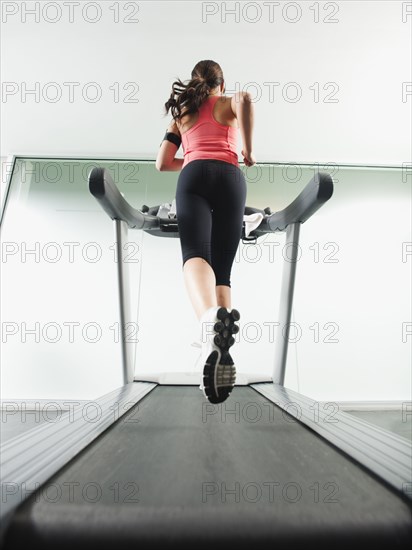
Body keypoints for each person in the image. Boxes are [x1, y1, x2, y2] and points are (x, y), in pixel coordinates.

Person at [156, 60, 256, 404]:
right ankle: (220, 340)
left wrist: (196, 156)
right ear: (220, 82)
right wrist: (247, 150)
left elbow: (162, 163)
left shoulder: (182, 112)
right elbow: (244, 98)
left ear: (196, 82)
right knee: (223, 271)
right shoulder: (226, 102)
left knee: (196, 254)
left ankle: (208, 325)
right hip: (230, 178)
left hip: (194, 176)